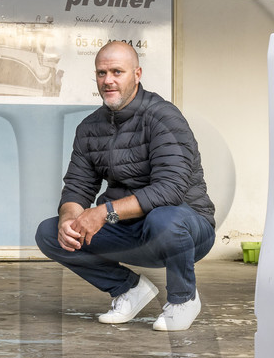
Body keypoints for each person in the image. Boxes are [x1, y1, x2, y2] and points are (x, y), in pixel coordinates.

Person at [35, 41, 215, 331]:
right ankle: (128, 290)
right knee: (49, 232)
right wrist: (70, 218)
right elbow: (77, 187)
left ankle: (183, 299)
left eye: (117, 72)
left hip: (186, 229)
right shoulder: (89, 128)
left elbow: (170, 189)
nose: (108, 80)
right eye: (101, 73)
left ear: (137, 74)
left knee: (164, 217)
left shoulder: (164, 117)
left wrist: (103, 213)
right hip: (128, 227)